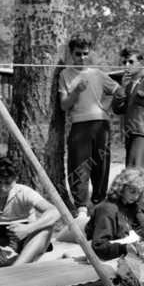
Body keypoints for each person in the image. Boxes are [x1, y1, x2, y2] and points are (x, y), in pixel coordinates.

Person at [57, 35, 119, 218]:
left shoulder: (98, 74)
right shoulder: (65, 74)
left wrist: (106, 106)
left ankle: (99, 202)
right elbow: (63, 106)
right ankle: (81, 207)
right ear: (71, 53)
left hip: (101, 125)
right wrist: (76, 91)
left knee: (101, 164)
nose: (82, 58)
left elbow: (117, 91)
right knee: (79, 165)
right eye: (78, 54)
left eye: (85, 53)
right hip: (79, 126)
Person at [0, 153, 61, 267]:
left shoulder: (24, 192)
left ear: (15, 180)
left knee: (46, 228)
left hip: (28, 242)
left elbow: (55, 212)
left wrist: (28, 229)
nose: (2, 188)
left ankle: (17, 268)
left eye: (7, 183)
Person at [84, 167, 144, 261]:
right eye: (132, 191)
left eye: (139, 193)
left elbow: (143, 226)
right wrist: (126, 248)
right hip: (111, 250)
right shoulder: (107, 209)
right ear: (122, 187)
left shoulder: (132, 205)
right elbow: (99, 246)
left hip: (126, 242)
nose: (135, 196)